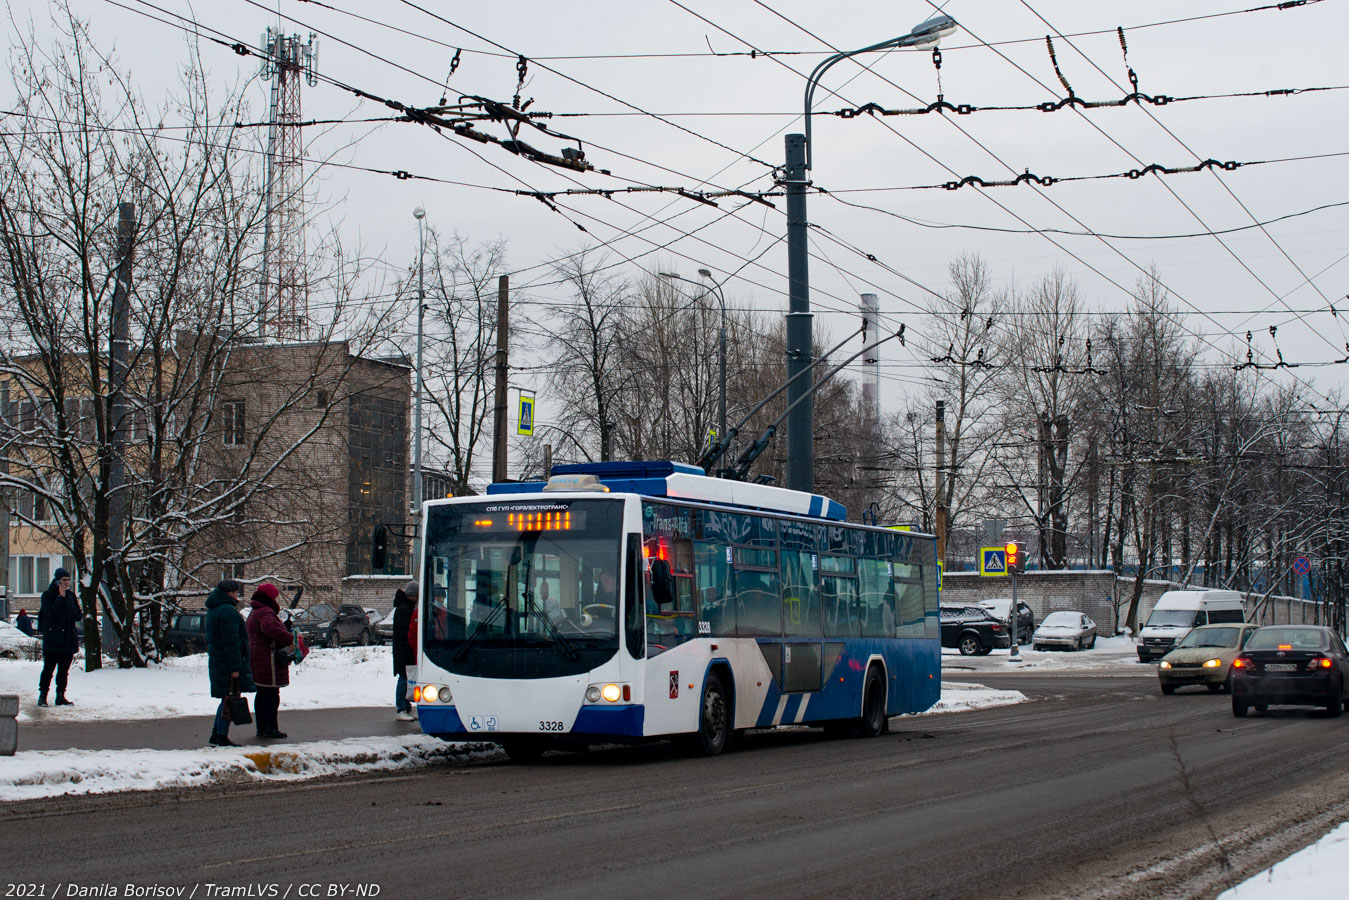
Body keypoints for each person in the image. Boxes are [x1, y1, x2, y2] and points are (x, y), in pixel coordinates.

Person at [205, 579, 254, 747]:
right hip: (227, 662)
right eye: (235, 592)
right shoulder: (228, 611)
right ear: (229, 593)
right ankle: (220, 735)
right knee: (228, 698)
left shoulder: (214, 610)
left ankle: (217, 733)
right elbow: (232, 641)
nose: (237, 596)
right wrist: (235, 666)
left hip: (218, 659)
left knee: (226, 698)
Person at [245, 583, 293, 740]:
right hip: (267, 658)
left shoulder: (255, 611)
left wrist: (283, 627)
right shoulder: (266, 612)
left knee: (262, 694)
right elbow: (270, 629)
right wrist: (289, 637)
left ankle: (262, 727)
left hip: (256, 656)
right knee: (272, 694)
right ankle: (271, 728)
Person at [36, 568, 80, 707]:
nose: (66, 583)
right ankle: (43, 695)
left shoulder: (71, 596)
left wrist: (67, 598)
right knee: (48, 669)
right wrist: (60, 598)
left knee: (63, 671)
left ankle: (60, 695)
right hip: (53, 640)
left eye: (68, 580)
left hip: (67, 640)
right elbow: (50, 613)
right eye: (63, 580)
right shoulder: (48, 595)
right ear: (57, 581)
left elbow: (77, 615)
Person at [392, 581, 417, 721]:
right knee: (404, 678)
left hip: (404, 649)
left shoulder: (406, 607)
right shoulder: (404, 609)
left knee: (407, 679)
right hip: (403, 650)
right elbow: (404, 632)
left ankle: (406, 707)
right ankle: (401, 708)